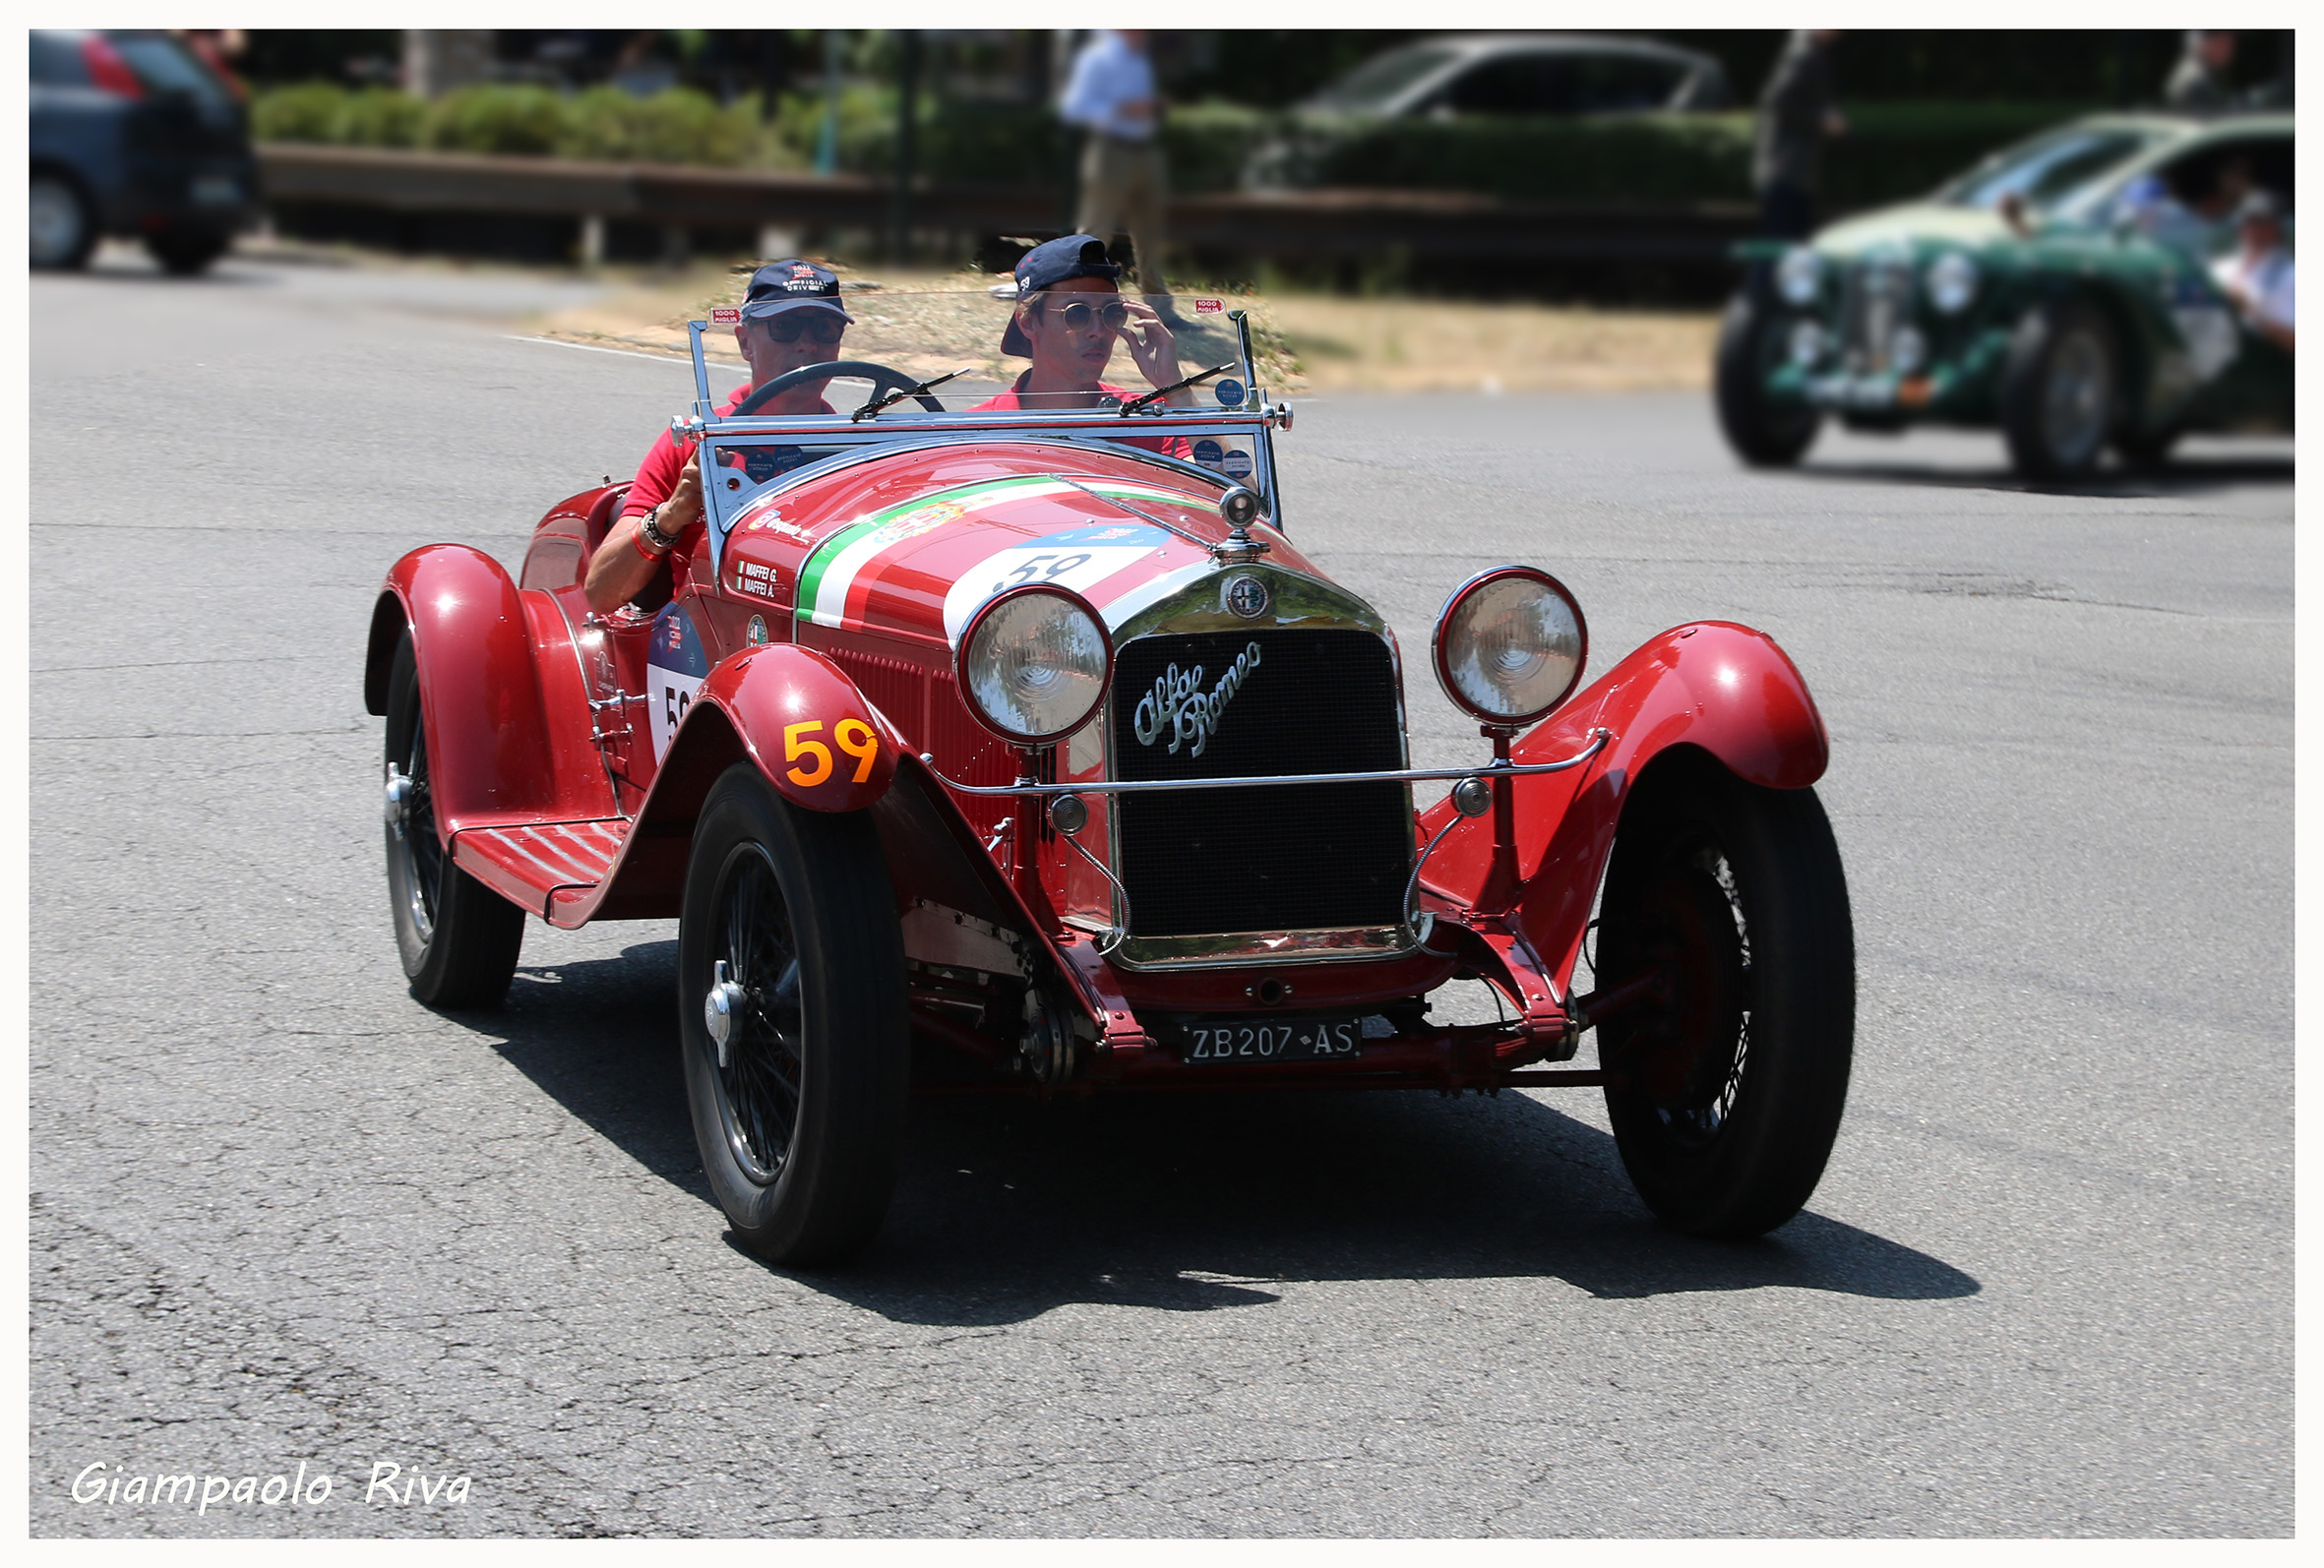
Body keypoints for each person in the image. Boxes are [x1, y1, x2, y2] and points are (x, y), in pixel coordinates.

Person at [583, 260, 852, 614]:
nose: (807, 344)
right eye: (786, 327)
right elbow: (600, 593)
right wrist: (673, 513)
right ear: (745, 343)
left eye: (824, 328)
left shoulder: (862, 448)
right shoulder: (694, 441)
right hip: (703, 640)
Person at [975, 235, 1197, 457]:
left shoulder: (1144, 418)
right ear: (1029, 322)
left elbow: (1223, 480)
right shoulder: (977, 431)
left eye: (1112, 313)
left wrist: (1176, 389)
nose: (1098, 330)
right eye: (1077, 313)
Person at [1059, 30, 1169, 294]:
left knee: (1150, 234)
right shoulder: (1097, 58)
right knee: (1094, 233)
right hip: (1111, 152)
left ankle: (1161, 307)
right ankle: (1072, 299)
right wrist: (1121, 109)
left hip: (1145, 152)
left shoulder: (1140, 60)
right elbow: (1074, 107)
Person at [1751, 30, 1846, 248]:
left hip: (1793, 171)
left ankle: (1762, 283)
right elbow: (1777, 101)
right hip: (1787, 169)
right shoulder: (1804, 53)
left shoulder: (1811, 50)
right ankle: (1758, 284)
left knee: (1788, 246)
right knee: (1778, 246)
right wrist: (1821, 119)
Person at [2210, 191, 2293, 353]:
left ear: (2276, 228)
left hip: (2268, 366)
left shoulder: (2291, 276)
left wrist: (2250, 311)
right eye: (2248, 221)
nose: (2253, 229)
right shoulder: (2220, 268)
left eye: (2261, 222)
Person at [2165, 30, 2237, 112]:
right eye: (2225, 44)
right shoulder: (2195, 81)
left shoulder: (2203, 71)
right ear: (2206, 44)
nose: (2229, 51)